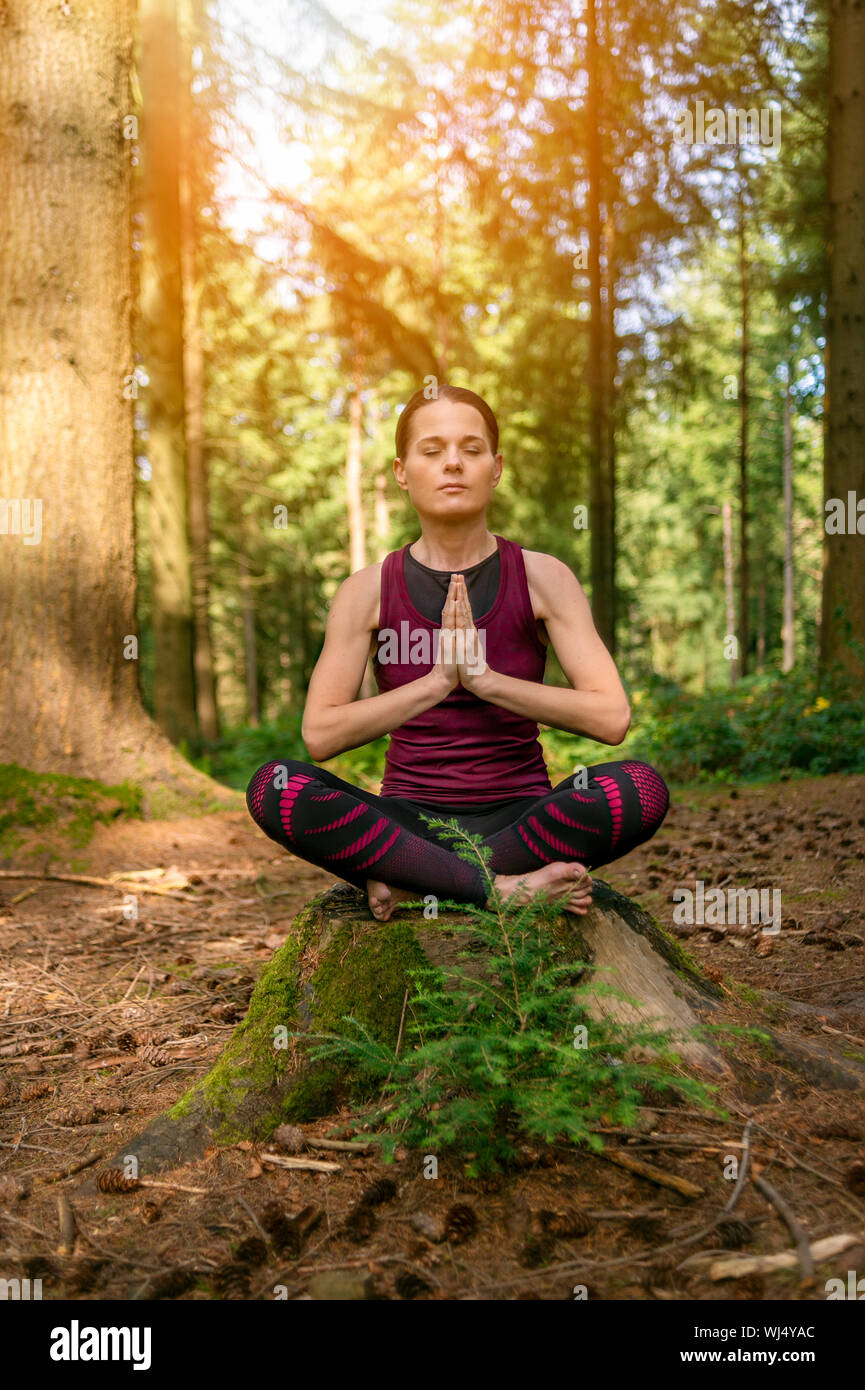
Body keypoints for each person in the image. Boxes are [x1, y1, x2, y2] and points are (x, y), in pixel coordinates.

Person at [246, 383, 670, 921]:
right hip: (406, 822)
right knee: (276, 787)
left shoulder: (543, 577)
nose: (453, 464)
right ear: (402, 471)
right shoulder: (366, 591)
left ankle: (422, 880)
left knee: (639, 789)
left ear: (495, 467)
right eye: (432, 450)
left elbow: (611, 717)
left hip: (520, 821)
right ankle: (499, 890)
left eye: (471, 450)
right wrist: (437, 682)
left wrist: (486, 680)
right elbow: (321, 734)